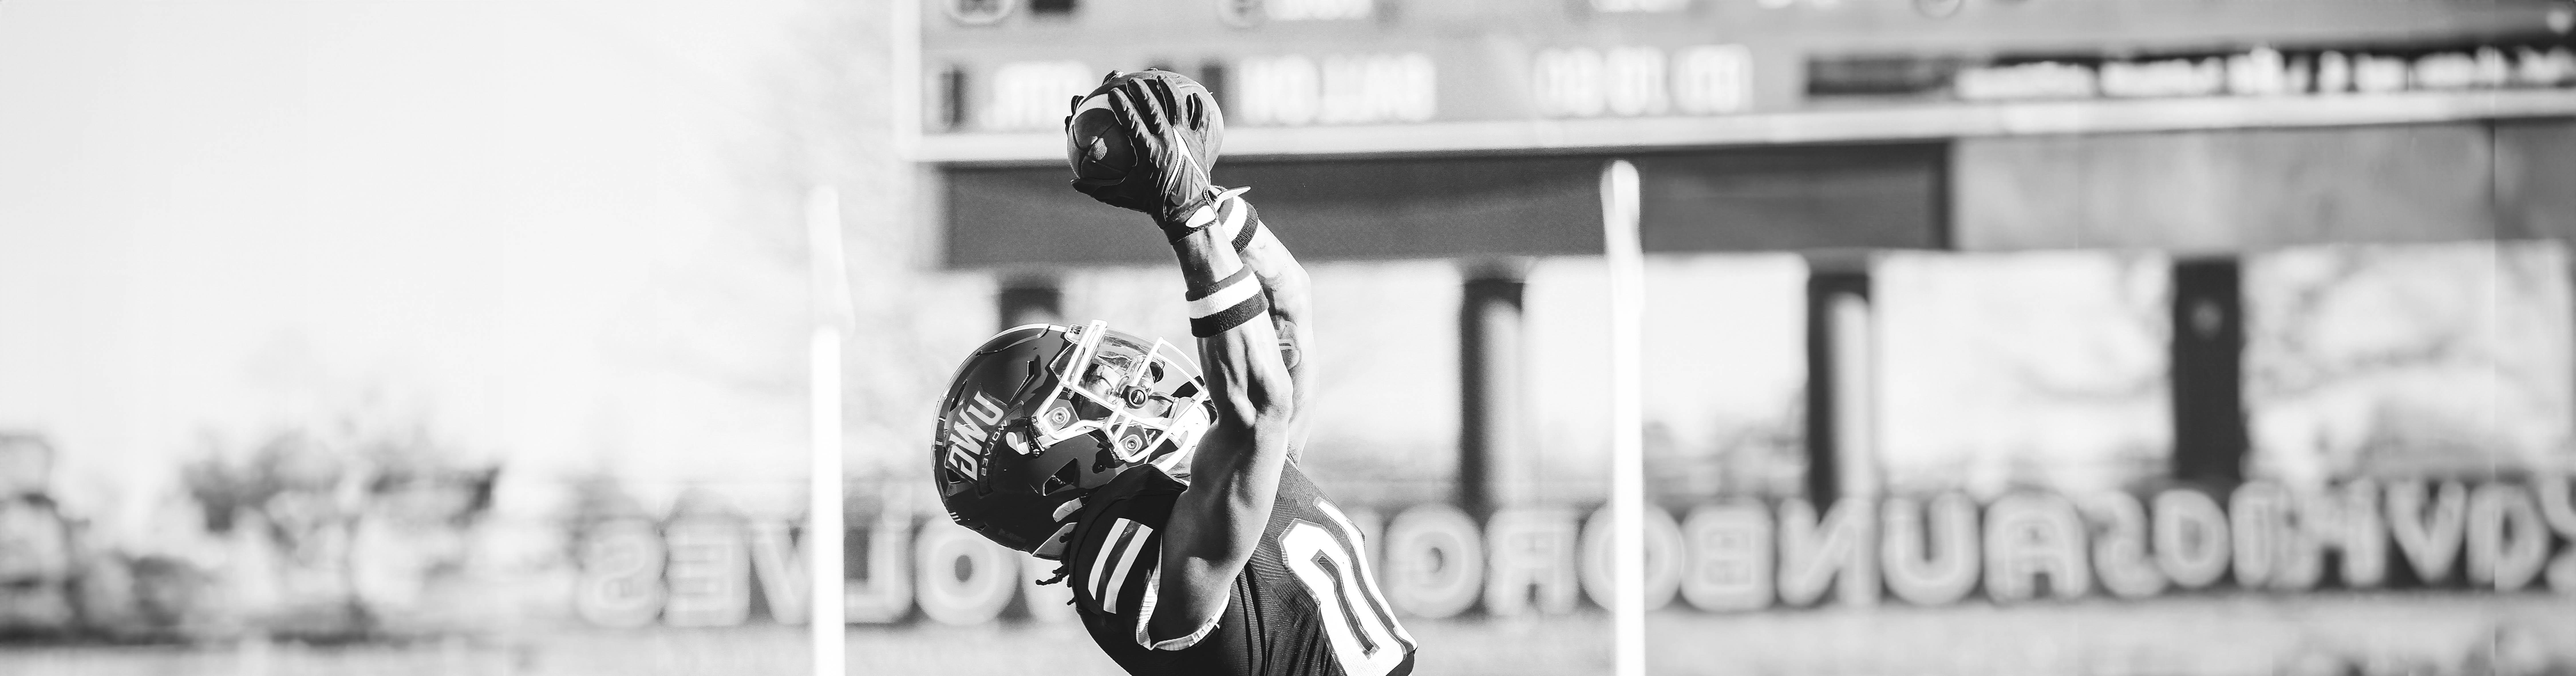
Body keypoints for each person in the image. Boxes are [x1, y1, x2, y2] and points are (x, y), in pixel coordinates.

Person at [932, 70, 1416, 676]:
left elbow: (1291, 300)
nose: (1125, 380)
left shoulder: (1215, 487)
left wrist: (1217, 212)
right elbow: (1259, 411)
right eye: (1093, 386)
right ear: (1047, 452)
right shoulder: (1119, 551)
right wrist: (1185, 220)